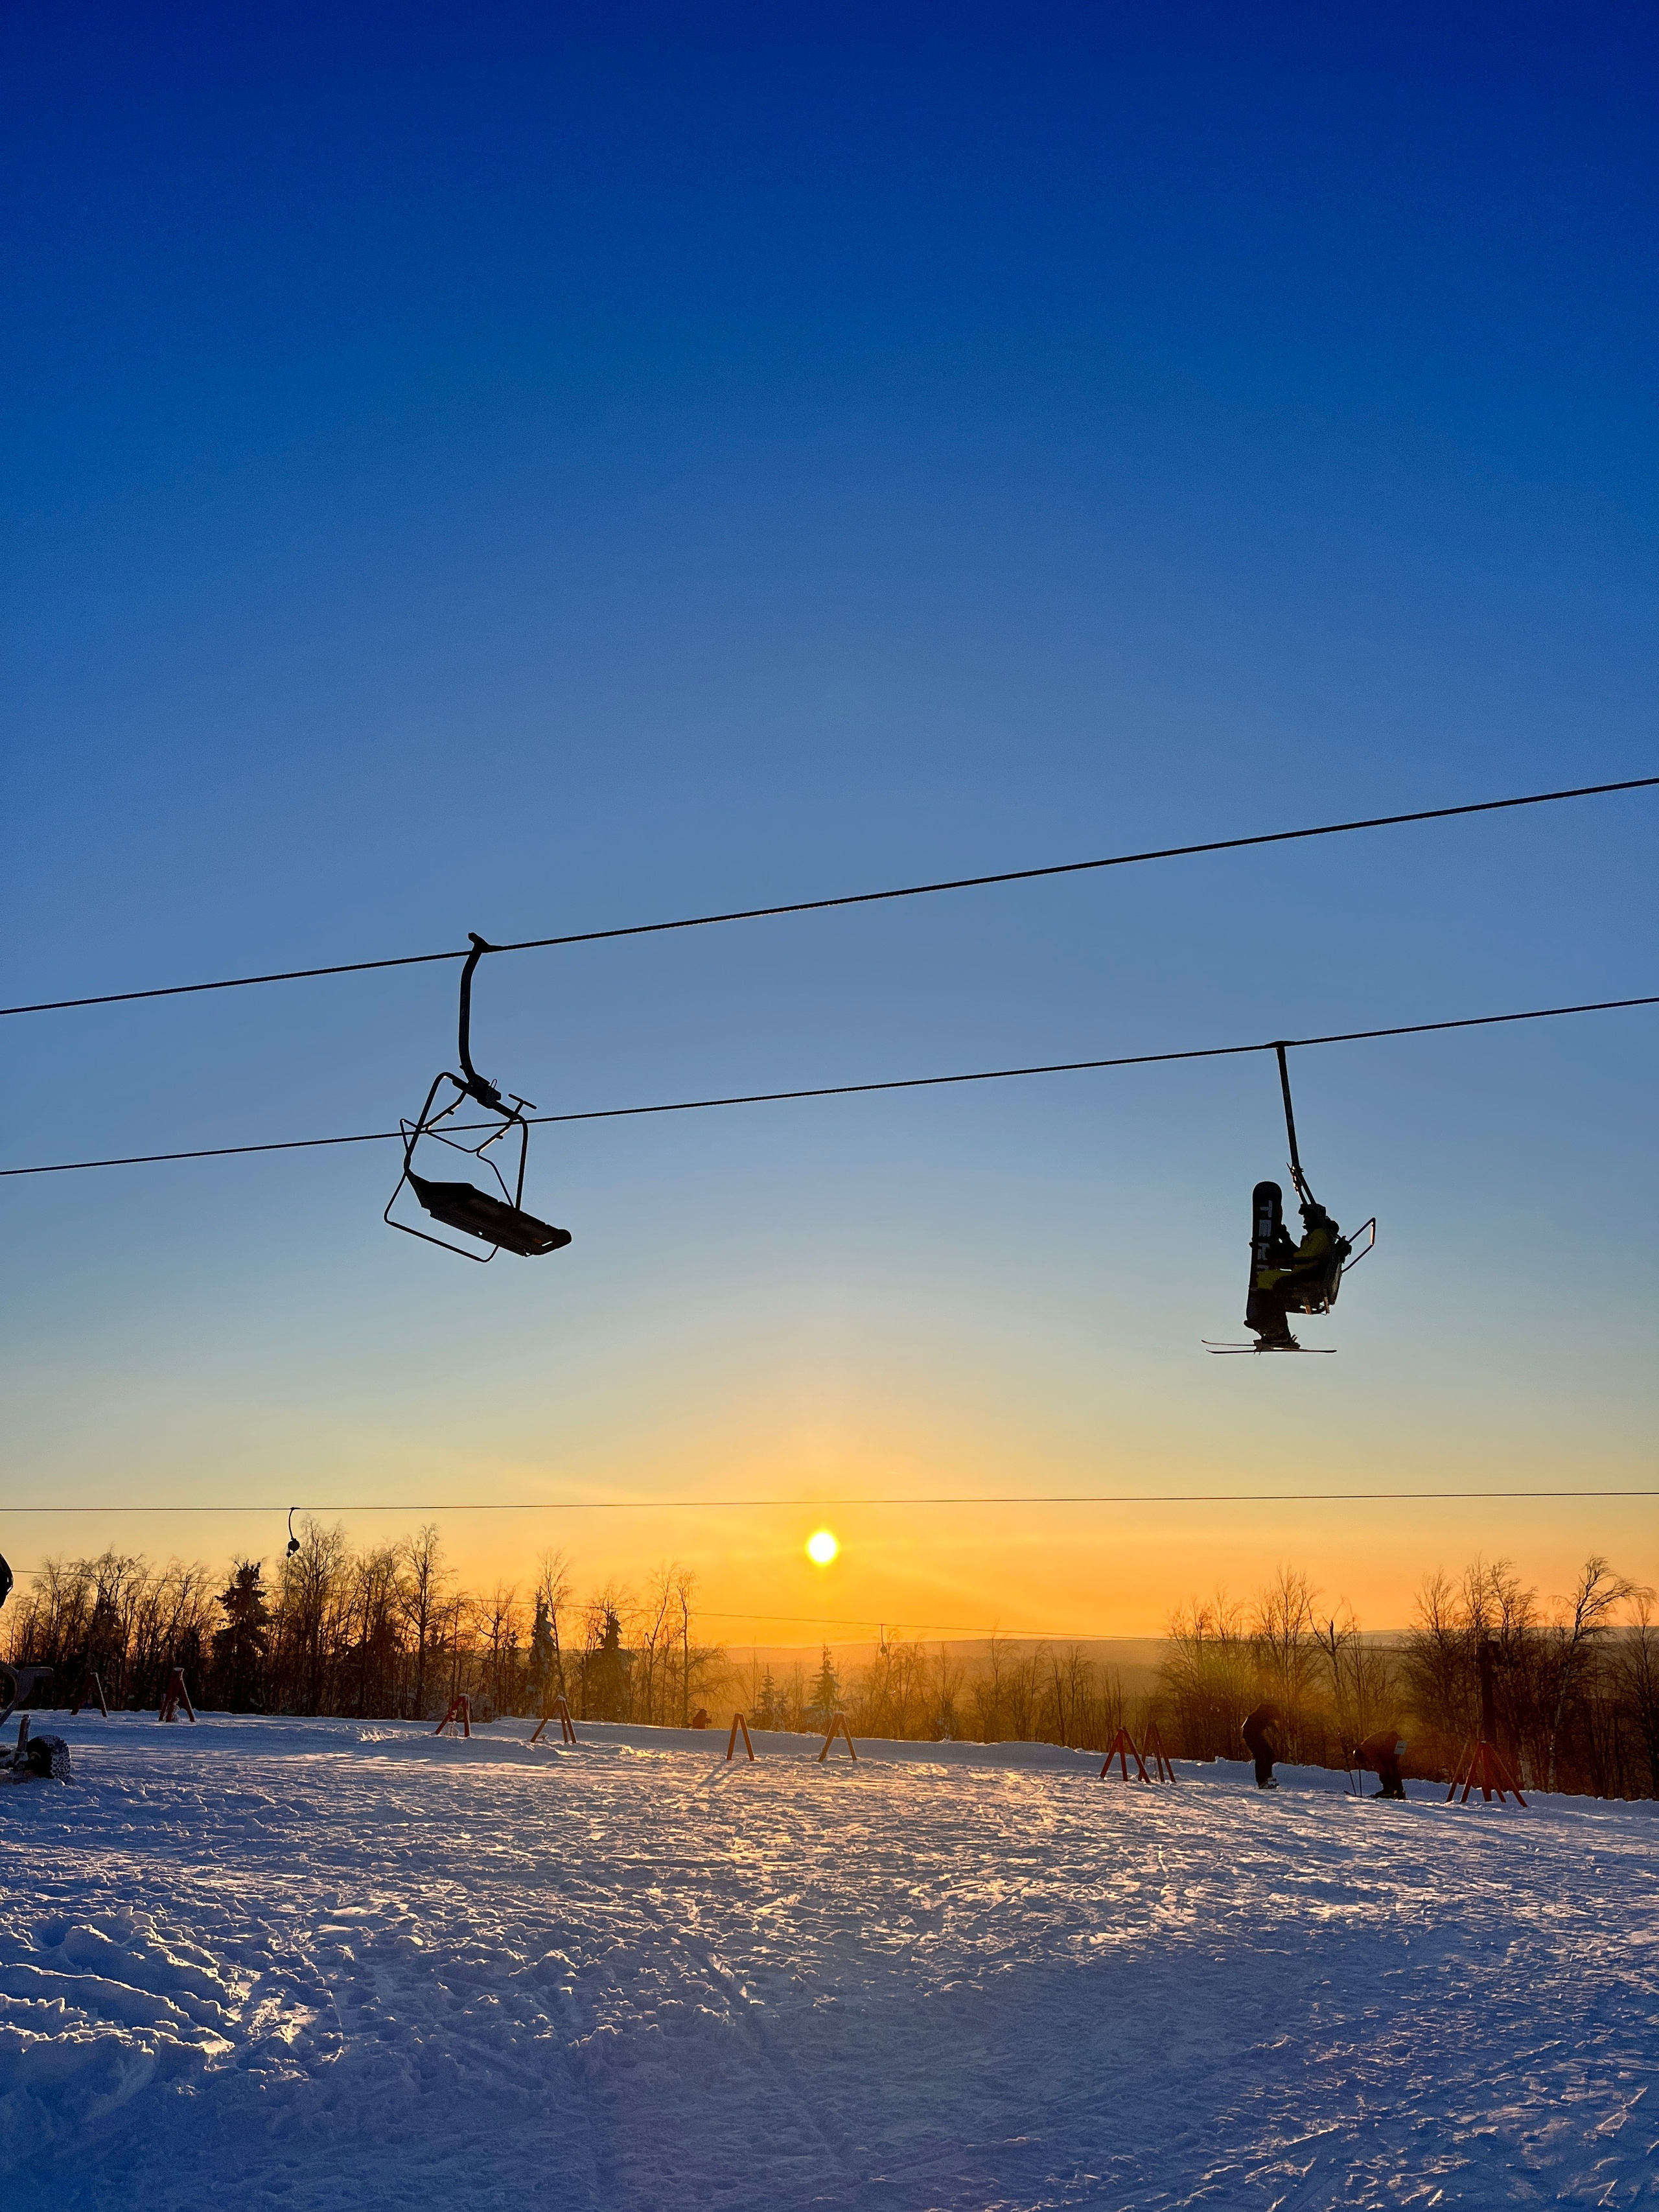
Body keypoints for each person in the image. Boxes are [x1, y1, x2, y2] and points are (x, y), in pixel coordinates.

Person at [1247, 1198, 1341, 1349]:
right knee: (1270, 1278)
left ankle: (1275, 1328)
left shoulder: (1320, 1235)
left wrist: (1280, 1256)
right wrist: (1285, 1240)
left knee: (1267, 1278)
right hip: (1304, 1273)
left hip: (1306, 1276)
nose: (1304, 1221)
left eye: (1307, 1218)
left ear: (1314, 1218)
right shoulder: (1318, 1235)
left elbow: (1305, 1258)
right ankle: (1278, 1331)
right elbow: (1300, 1254)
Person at [1352, 1728, 1408, 1800]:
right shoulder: (1368, 1745)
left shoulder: (1366, 1749)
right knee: (1393, 1765)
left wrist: (1383, 1775)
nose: (1366, 1761)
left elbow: (1377, 1763)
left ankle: (1388, 1791)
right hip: (1400, 1742)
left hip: (1391, 1740)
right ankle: (1398, 1791)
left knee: (1385, 1765)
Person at [1241, 1701, 1283, 1789]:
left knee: (1269, 1753)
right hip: (1250, 1735)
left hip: (1255, 1734)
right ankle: (1262, 1782)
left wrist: (1276, 1730)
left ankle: (1268, 1776)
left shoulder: (1265, 1712)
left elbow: (1270, 1724)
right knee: (1260, 1757)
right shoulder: (1265, 1714)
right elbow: (1268, 1722)